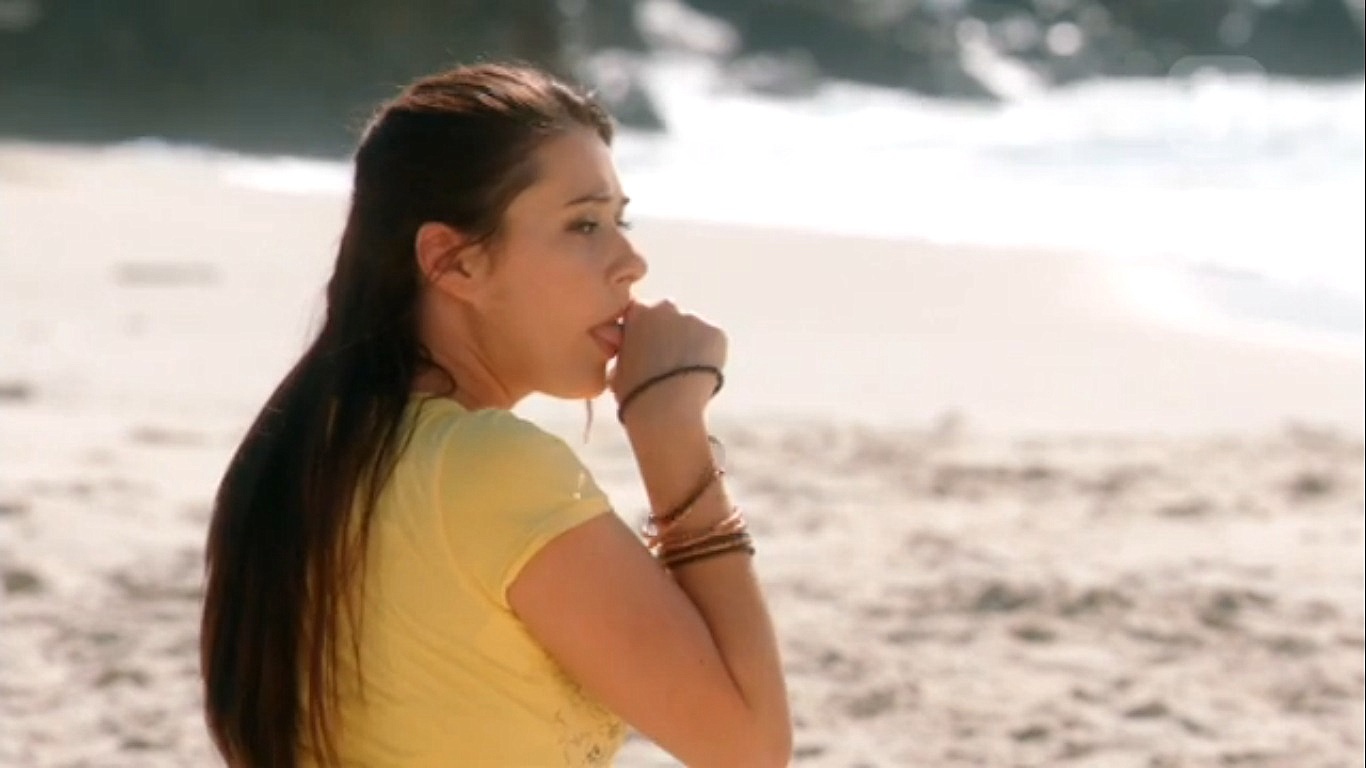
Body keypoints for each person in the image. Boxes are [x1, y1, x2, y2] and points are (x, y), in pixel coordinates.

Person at [199, 63, 792, 767]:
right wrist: (669, 429)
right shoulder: (490, 468)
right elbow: (748, 749)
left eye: (620, 221)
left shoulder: (309, 444)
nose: (631, 262)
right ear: (453, 262)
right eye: (584, 224)